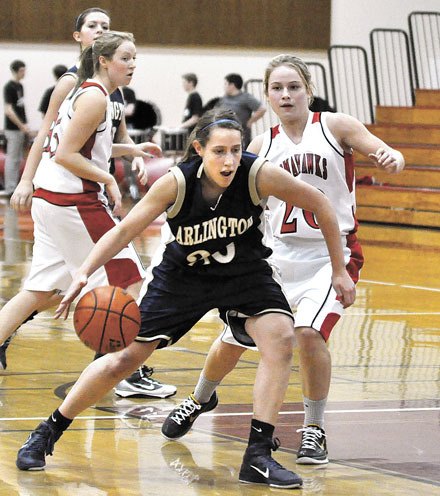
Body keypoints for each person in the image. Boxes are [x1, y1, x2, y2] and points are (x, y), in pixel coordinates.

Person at [16, 107, 355, 489]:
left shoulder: (257, 172)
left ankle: (257, 456)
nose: (229, 160)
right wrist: (82, 272)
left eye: (235, 149)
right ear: (199, 150)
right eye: (219, 151)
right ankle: (48, 431)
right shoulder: (176, 183)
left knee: (280, 338)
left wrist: (339, 270)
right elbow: (125, 229)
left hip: (244, 274)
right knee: (123, 360)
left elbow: (322, 205)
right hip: (183, 278)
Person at [161, 54, 405, 465]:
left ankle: (313, 429)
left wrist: (390, 157)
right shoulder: (259, 145)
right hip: (274, 257)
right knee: (233, 337)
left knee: (309, 335)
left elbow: (383, 151)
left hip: (330, 254)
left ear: (308, 90)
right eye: (278, 88)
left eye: (294, 87)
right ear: (268, 95)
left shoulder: (335, 126)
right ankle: (200, 397)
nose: (286, 94)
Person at [0, 7, 176, 400]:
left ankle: (116, 365)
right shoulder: (87, 92)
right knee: (130, 279)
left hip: (55, 199)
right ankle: (127, 372)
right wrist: (108, 176)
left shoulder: (100, 93)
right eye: (126, 58)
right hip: (72, 199)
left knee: (43, 290)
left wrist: (129, 149)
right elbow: (63, 150)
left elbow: (85, 143)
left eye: (135, 59)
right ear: (101, 56)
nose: (133, 65)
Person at [2, 60, 30, 196]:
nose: (24, 73)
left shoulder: (20, 86)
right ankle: (9, 188)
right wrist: (20, 125)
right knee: (12, 158)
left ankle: (16, 186)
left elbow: (20, 107)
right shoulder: (9, 87)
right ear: (16, 71)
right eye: (22, 70)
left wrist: (25, 125)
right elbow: (9, 110)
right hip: (12, 128)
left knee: (18, 158)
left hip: (20, 128)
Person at [216, 73, 265, 148]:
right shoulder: (224, 98)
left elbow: (262, 109)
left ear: (232, 85)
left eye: (225, 84)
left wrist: (250, 122)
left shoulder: (245, 97)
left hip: (240, 134)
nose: (224, 87)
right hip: (223, 133)